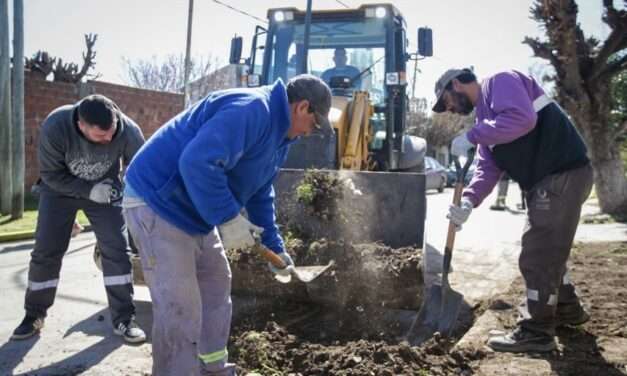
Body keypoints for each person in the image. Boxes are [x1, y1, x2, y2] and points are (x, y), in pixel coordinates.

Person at [122, 74, 333, 375]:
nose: (310, 133)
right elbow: (197, 162)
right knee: (181, 308)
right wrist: (228, 218)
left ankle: (213, 369)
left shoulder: (281, 137)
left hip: (194, 209)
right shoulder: (251, 110)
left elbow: (261, 191)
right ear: (302, 107)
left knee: (216, 286)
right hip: (158, 200)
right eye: (314, 124)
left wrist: (275, 248)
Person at [433, 68, 593, 353]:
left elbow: (523, 119)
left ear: (456, 83)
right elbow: (487, 169)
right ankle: (568, 311)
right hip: (551, 180)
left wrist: (472, 135)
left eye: (446, 101)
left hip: (561, 173)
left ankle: (536, 331)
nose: (449, 109)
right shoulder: (485, 120)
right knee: (549, 250)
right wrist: (468, 201)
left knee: (538, 253)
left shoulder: (500, 82)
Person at [11, 95, 147, 344]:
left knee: (117, 249)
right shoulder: (56, 126)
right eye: (100, 137)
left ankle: (124, 319)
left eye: (111, 134)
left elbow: (142, 167)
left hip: (106, 190)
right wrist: (86, 191)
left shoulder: (128, 130)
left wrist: (128, 193)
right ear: (81, 125)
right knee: (46, 251)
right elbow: (50, 174)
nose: (108, 140)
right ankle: (34, 315)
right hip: (59, 191)